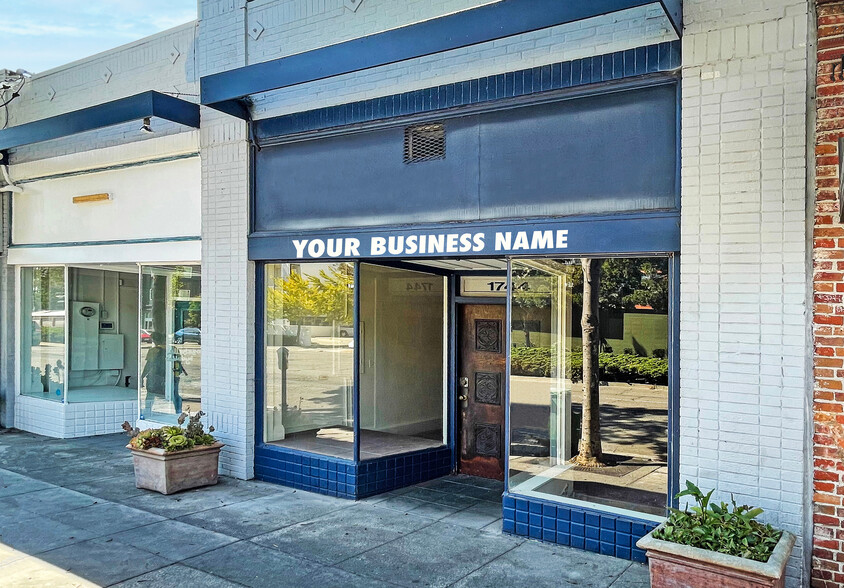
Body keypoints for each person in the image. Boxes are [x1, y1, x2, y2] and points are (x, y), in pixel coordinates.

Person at [141, 332, 166, 417]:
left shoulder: (153, 351)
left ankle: (148, 412)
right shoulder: (169, 349)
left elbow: (148, 365)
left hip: (154, 375)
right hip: (164, 376)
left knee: (150, 395)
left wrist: (142, 376)